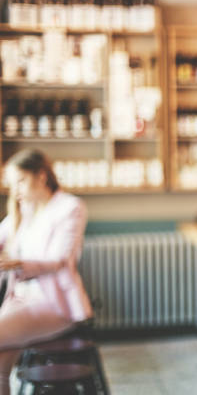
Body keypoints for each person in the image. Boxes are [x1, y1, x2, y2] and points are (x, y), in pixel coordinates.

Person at [0, 149, 91, 394]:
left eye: (20, 180)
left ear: (41, 176)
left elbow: (59, 259)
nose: (15, 189)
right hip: (19, 300)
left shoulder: (70, 207)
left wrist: (16, 263)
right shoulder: (23, 209)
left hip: (53, 304)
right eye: (11, 183)